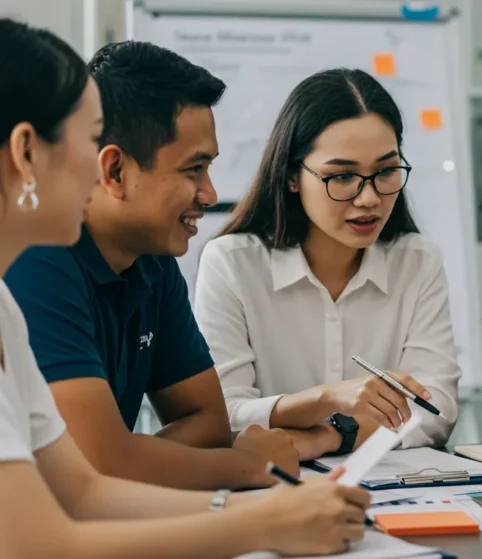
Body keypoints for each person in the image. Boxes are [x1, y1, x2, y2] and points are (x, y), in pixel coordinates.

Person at [0, 19, 368, 558]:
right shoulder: (32, 275)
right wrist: (260, 521)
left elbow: (82, 491)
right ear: (28, 152)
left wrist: (267, 507)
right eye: (87, 140)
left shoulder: (4, 308)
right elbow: (39, 541)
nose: (96, 167)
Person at [3, 40, 300, 490]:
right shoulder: (38, 256)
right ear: (116, 170)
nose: (210, 194)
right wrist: (246, 468)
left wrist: (130, 459)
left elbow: (207, 424)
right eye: (193, 169)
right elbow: (97, 466)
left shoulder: (152, 260)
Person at [193, 68, 459, 459]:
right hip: (270, 490)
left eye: (385, 171)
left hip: (393, 489)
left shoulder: (417, 260)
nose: (368, 198)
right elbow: (224, 418)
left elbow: (435, 409)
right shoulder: (233, 263)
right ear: (291, 177)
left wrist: (327, 437)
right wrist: (326, 399)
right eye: (343, 176)